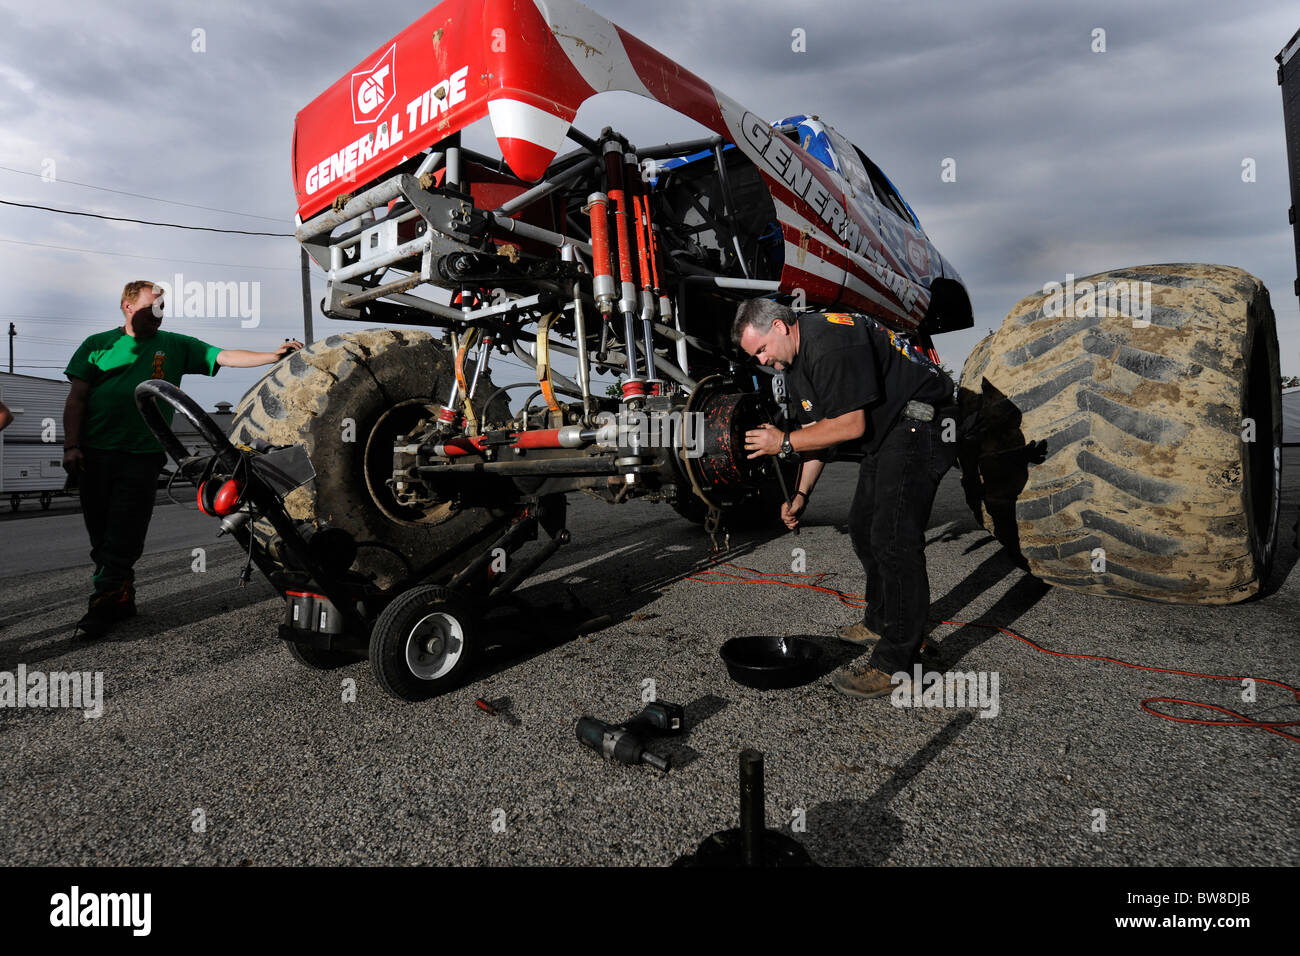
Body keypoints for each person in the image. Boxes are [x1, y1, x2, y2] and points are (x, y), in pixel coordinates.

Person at [735, 299, 957, 700]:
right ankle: (881, 619)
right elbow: (821, 436)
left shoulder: (829, 341)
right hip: (891, 431)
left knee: (894, 539)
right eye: (756, 357)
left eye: (762, 349)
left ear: (781, 328)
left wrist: (781, 442)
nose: (764, 361)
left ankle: (898, 663)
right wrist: (801, 494)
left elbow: (850, 425)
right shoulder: (799, 364)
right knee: (861, 527)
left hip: (923, 422)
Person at [63, 280, 303, 639]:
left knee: (123, 532)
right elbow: (77, 399)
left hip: (141, 455)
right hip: (95, 453)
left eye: (162, 308)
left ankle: (104, 599)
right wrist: (71, 446)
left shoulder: (173, 345)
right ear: (127, 307)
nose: (157, 316)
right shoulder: (97, 345)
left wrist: (271, 357)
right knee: (100, 533)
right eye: (150, 308)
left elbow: (221, 355)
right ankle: (120, 593)